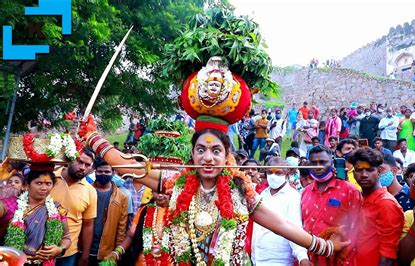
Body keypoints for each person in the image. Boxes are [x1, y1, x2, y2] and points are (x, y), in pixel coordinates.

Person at [78, 57, 350, 265]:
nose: (208, 157)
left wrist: (324, 246)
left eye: (216, 151)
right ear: (193, 153)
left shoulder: (240, 192)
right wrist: (91, 136)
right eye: (201, 150)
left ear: (226, 155)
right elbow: (126, 165)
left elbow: (283, 225)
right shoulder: (174, 182)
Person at [302, 144, 361, 265]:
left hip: (339, 259)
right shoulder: (305, 192)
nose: (318, 166)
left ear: (332, 162)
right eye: (314, 162)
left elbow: (359, 229)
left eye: (323, 162)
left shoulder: (349, 190)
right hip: (309, 260)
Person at [0, 168, 71, 264]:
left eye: (48, 184)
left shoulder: (56, 209)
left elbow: (66, 238)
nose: (44, 188)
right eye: (39, 183)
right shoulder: (12, 204)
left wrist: (60, 249)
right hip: (12, 262)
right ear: (27, 185)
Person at [347, 148, 404, 266]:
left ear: (378, 171)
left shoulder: (386, 204)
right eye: (359, 170)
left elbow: (388, 256)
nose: (363, 175)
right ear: (353, 173)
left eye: (369, 170)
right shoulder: (359, 199)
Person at [252, 157, 310, 265]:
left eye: (278, 173)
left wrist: (302, 256)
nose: (273, 176)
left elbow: (295, 228)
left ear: (287, 174)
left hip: (280, 259)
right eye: (270, 172)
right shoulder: (262, 195)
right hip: (258, 258)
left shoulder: (292, 197)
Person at [104, 182, 172, 266]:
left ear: (171, 192)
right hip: (143, 261)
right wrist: (117, 252)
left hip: (168, 261)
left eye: (164, 192)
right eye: (157, 192)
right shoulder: (144, 210)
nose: (160, 195)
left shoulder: (177, 212)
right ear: (151, 192)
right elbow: (131, 235)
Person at [51, 148, 97, 266]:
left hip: (68, 252)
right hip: (40, 248)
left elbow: (88, 225)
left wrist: (85, 255)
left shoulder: (90, 191)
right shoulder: (48, 179)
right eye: (79, 161)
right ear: (69, 160)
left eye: (87, 165)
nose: (82, 167)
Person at [89, 158, 128, 265]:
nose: (103, 174)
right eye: (100, 172)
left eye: (107, 172)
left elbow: (122, 226)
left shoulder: (122, 196)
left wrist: (117, 252)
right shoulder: (86, 191)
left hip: (106, 252)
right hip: (85, 249)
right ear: (95, 172)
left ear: (113, 172)